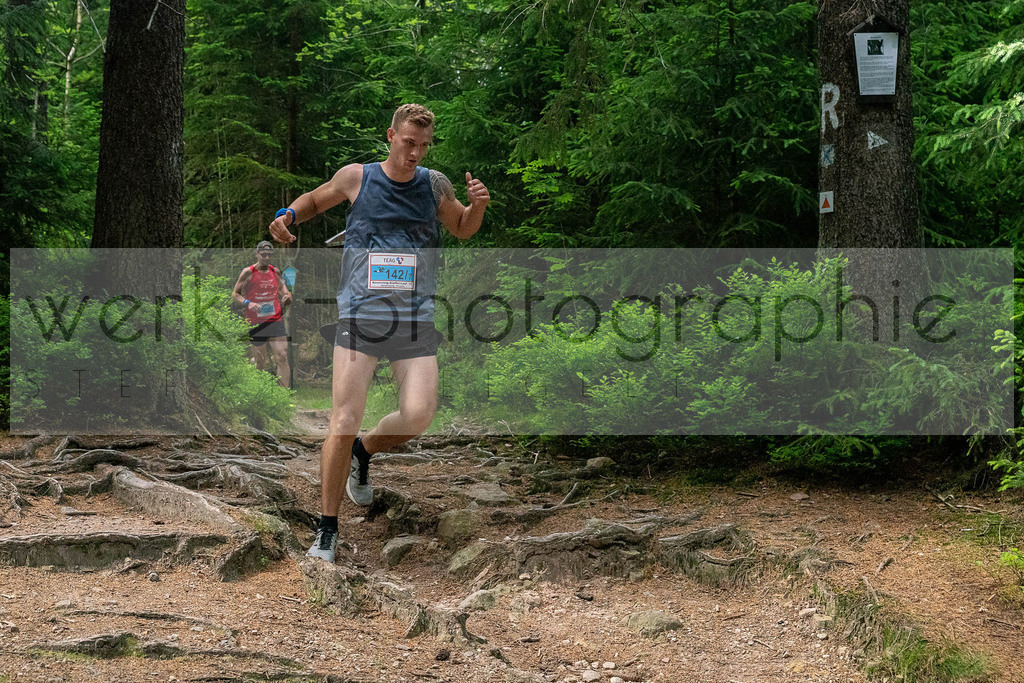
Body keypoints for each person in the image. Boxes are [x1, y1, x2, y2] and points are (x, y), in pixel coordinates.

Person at [268, 104, 490, 563]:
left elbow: (463, 229)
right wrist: (287, 216)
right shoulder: (358, 178)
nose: (415, 153)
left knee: (419, 415)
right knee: (343, 420)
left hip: (414, 319)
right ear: (391, 136)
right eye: (409, 142)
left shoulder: (434, 185)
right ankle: (326, 530)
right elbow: (314, 199)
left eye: (423, 146)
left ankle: (363, 454)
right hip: (360, 316)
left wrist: (478, 207)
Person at [232, 240, 293, 388]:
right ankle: (258, 393)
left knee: (282, 356)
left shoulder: (275, 272)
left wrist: (287, 296)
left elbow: (284, 290)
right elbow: (235, 294)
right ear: (257, 254)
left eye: (269, 255)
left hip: (275, 319)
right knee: (260, 360)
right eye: (263, 255)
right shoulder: (248, 272)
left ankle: (283, 397)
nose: (266, 258)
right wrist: (249, 303)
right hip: (256, 321)